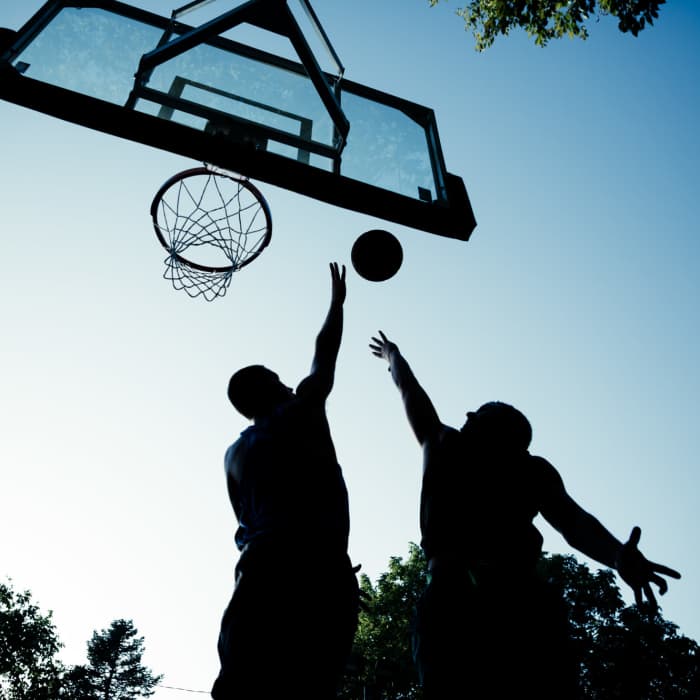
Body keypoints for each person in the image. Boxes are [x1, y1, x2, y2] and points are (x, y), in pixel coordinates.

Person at [369, 330, 680, 699]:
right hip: (492, 601)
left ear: (504, 436)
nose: (468, 413)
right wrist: (393, 356)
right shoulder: (480, 455)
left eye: (480, 412)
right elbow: (574, 523)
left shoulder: (454, 448)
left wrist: (616, 555)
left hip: (496, 603)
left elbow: (574, 523)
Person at [211, 263, 359, 700]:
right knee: (311, 684)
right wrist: (337, 305)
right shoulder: (299, 413)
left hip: (260, 566)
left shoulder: (233, 455)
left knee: (243, 682)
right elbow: (324, 355)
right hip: (313, 566)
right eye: (281, 380)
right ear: (274, 387)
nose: (291, 385)